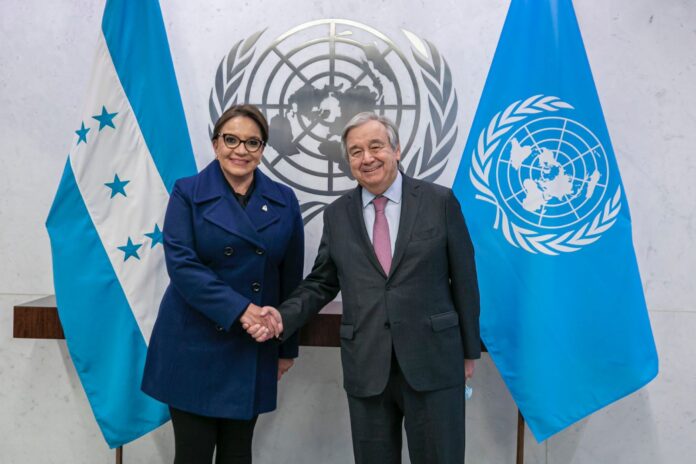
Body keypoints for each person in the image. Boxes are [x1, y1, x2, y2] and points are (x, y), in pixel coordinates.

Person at [248, 112, 481, 464]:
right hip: (367, 365)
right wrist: (281, 317)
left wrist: (468, 351)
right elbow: (322, 282)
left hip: (435, 361)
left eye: (376, 146)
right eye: (356, 151)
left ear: (396, 150)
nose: (367, 158)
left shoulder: (439, 201)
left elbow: (464, 278)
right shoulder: (337, 214)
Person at [141, 104, 304, 464]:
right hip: (192, 343)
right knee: (193, 455)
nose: (240, 150)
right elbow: (183, 267)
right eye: (231, 140)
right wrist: (241, 310)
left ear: (262, 149)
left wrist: (286, 348)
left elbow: (290, 279)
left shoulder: (284, 200)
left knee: (238, 454)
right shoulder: (187, 192)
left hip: (252, 346)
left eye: (252, 142)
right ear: (216, 144)